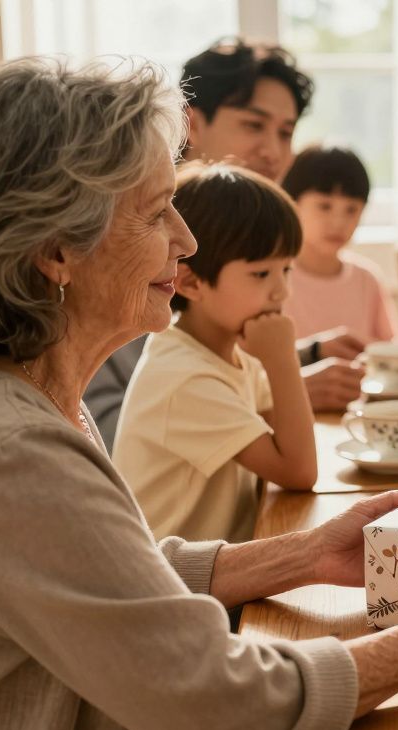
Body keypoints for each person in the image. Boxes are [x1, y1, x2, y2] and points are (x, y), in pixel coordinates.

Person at [0, 57, 398, 730]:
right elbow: (219, 699)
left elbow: (105, 577)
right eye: (159, 214)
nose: (186, 242)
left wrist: (303, 554)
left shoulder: (35, 401)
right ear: (57, 249)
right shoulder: (17, 454)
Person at [84, 39, 363, 450]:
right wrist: (287, 392)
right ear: (190, 123)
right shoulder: (124, 238)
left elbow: (209, 353)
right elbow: (108, 429)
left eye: (285, 133)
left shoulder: (245, 235)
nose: (273, 152)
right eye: (253, 125)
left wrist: (308, 353)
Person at [114, 163, 317, 542]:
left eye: (285, 270)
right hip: (180, 588)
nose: (282, 292)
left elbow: (288, 441)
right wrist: (282, 359)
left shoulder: (230, 350)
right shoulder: (185, 376)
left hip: (226, 565)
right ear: (190, 282)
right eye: (261, 274)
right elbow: (299, 470)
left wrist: (271, 360)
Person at [281, 144, 398, 344]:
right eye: (324, 206)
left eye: (351, 210)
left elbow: (392, 351)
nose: (338, 223)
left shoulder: (367, 280)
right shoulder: (274, 278)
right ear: (293, 203)